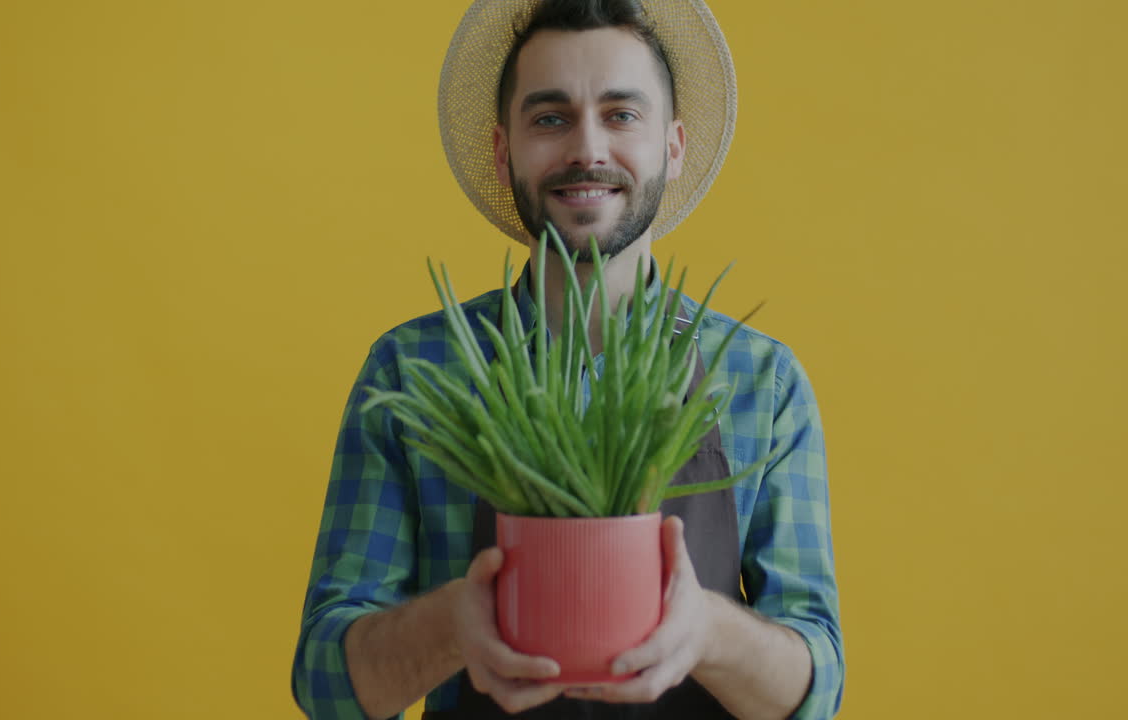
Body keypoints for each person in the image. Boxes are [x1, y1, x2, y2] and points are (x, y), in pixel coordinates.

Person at [291, 0, 844, 718]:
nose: (587, 149)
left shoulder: (762, 383)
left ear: (673, 147)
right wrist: (455, 622)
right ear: (503, 150)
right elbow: (326, 684)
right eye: (550, 118)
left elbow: (816, 686)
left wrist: (706, 631)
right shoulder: (413, 372)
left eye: (621, 115)